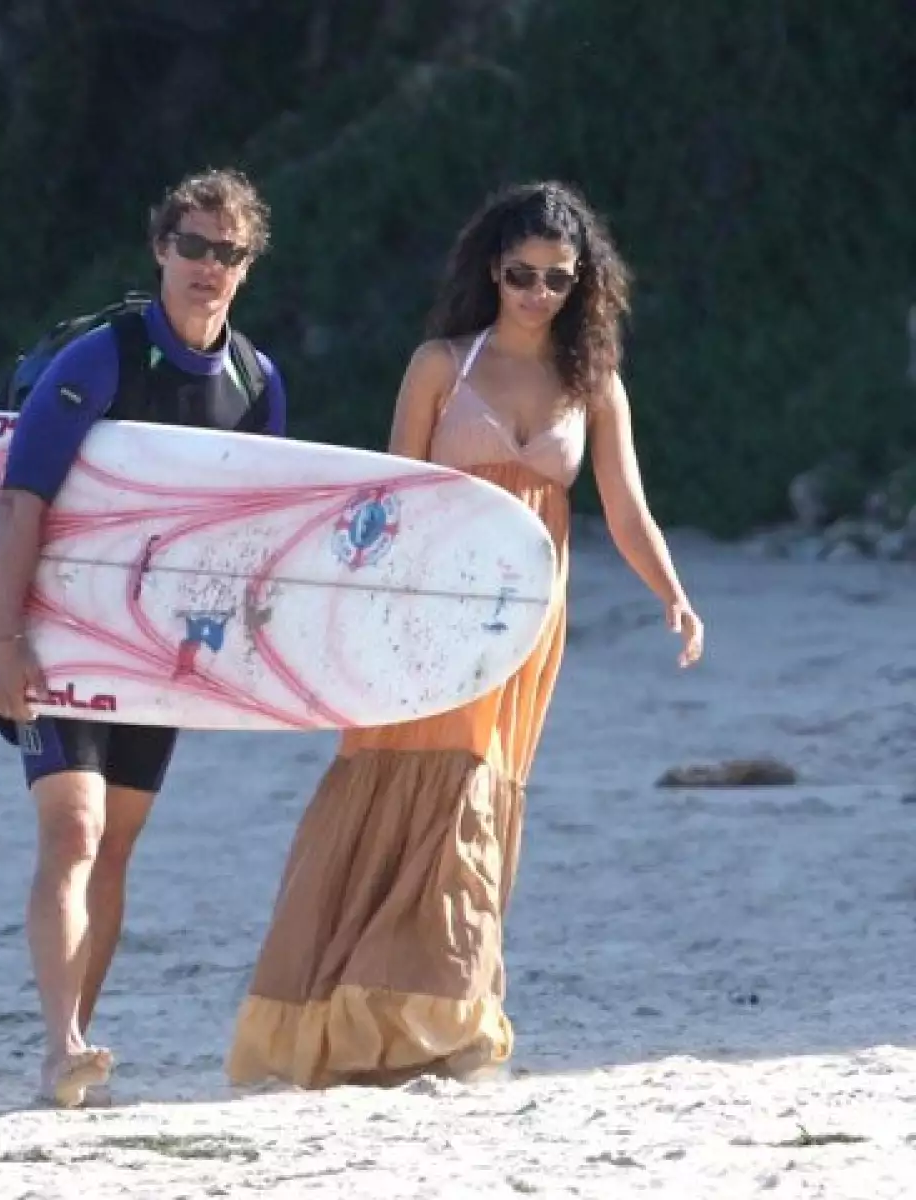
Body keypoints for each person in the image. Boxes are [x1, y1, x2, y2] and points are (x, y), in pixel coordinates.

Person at [225, 180, 705, 1090]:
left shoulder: (591, 381)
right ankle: (353, 1017)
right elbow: (389, 501)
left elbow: (627, 507)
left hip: (527, 619)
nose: (537, 293)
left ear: (581, 284)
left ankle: (439, 1020)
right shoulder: (441, 364)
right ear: (493, 270)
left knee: (476, 795)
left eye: (557, 279)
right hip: (426, 609)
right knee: (402, 780)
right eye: (521, 274)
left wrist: (674, 595)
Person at [0, 167, 289, 1107]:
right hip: (54, 629)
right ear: (162, 248)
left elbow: (253, 536)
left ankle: (77, 1035)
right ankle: (62, 1041)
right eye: (192, 246)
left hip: (160, 647)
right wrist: (4, 639)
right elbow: (22, 497)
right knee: (71, 828)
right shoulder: (103, 360)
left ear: (246, 266)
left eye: (227, 252)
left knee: (115, 844)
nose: (208, 267)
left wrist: (242, 662)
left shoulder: (256, 382)